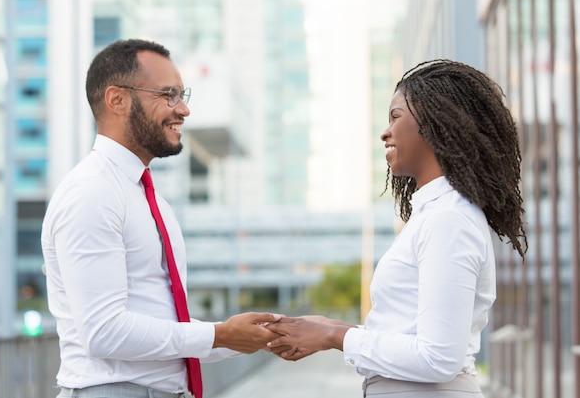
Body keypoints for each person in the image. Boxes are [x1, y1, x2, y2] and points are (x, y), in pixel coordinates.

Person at [265, 59, 527, 397]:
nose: (384, 132)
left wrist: (335, 337)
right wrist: (331, 328)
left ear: (435, 121)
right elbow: (411, 337)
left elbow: (438, 358)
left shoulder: (448, 219)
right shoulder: (435, 215)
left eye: (395, 116)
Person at [41, 38, 282, 398]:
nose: (183, 109)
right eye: (168, 95)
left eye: (183, 95)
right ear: (117, 100)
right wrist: (218, 334)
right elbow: (104, 332)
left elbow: (163, 328)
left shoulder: (146, 198)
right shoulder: (92, 191)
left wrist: (250, 336)